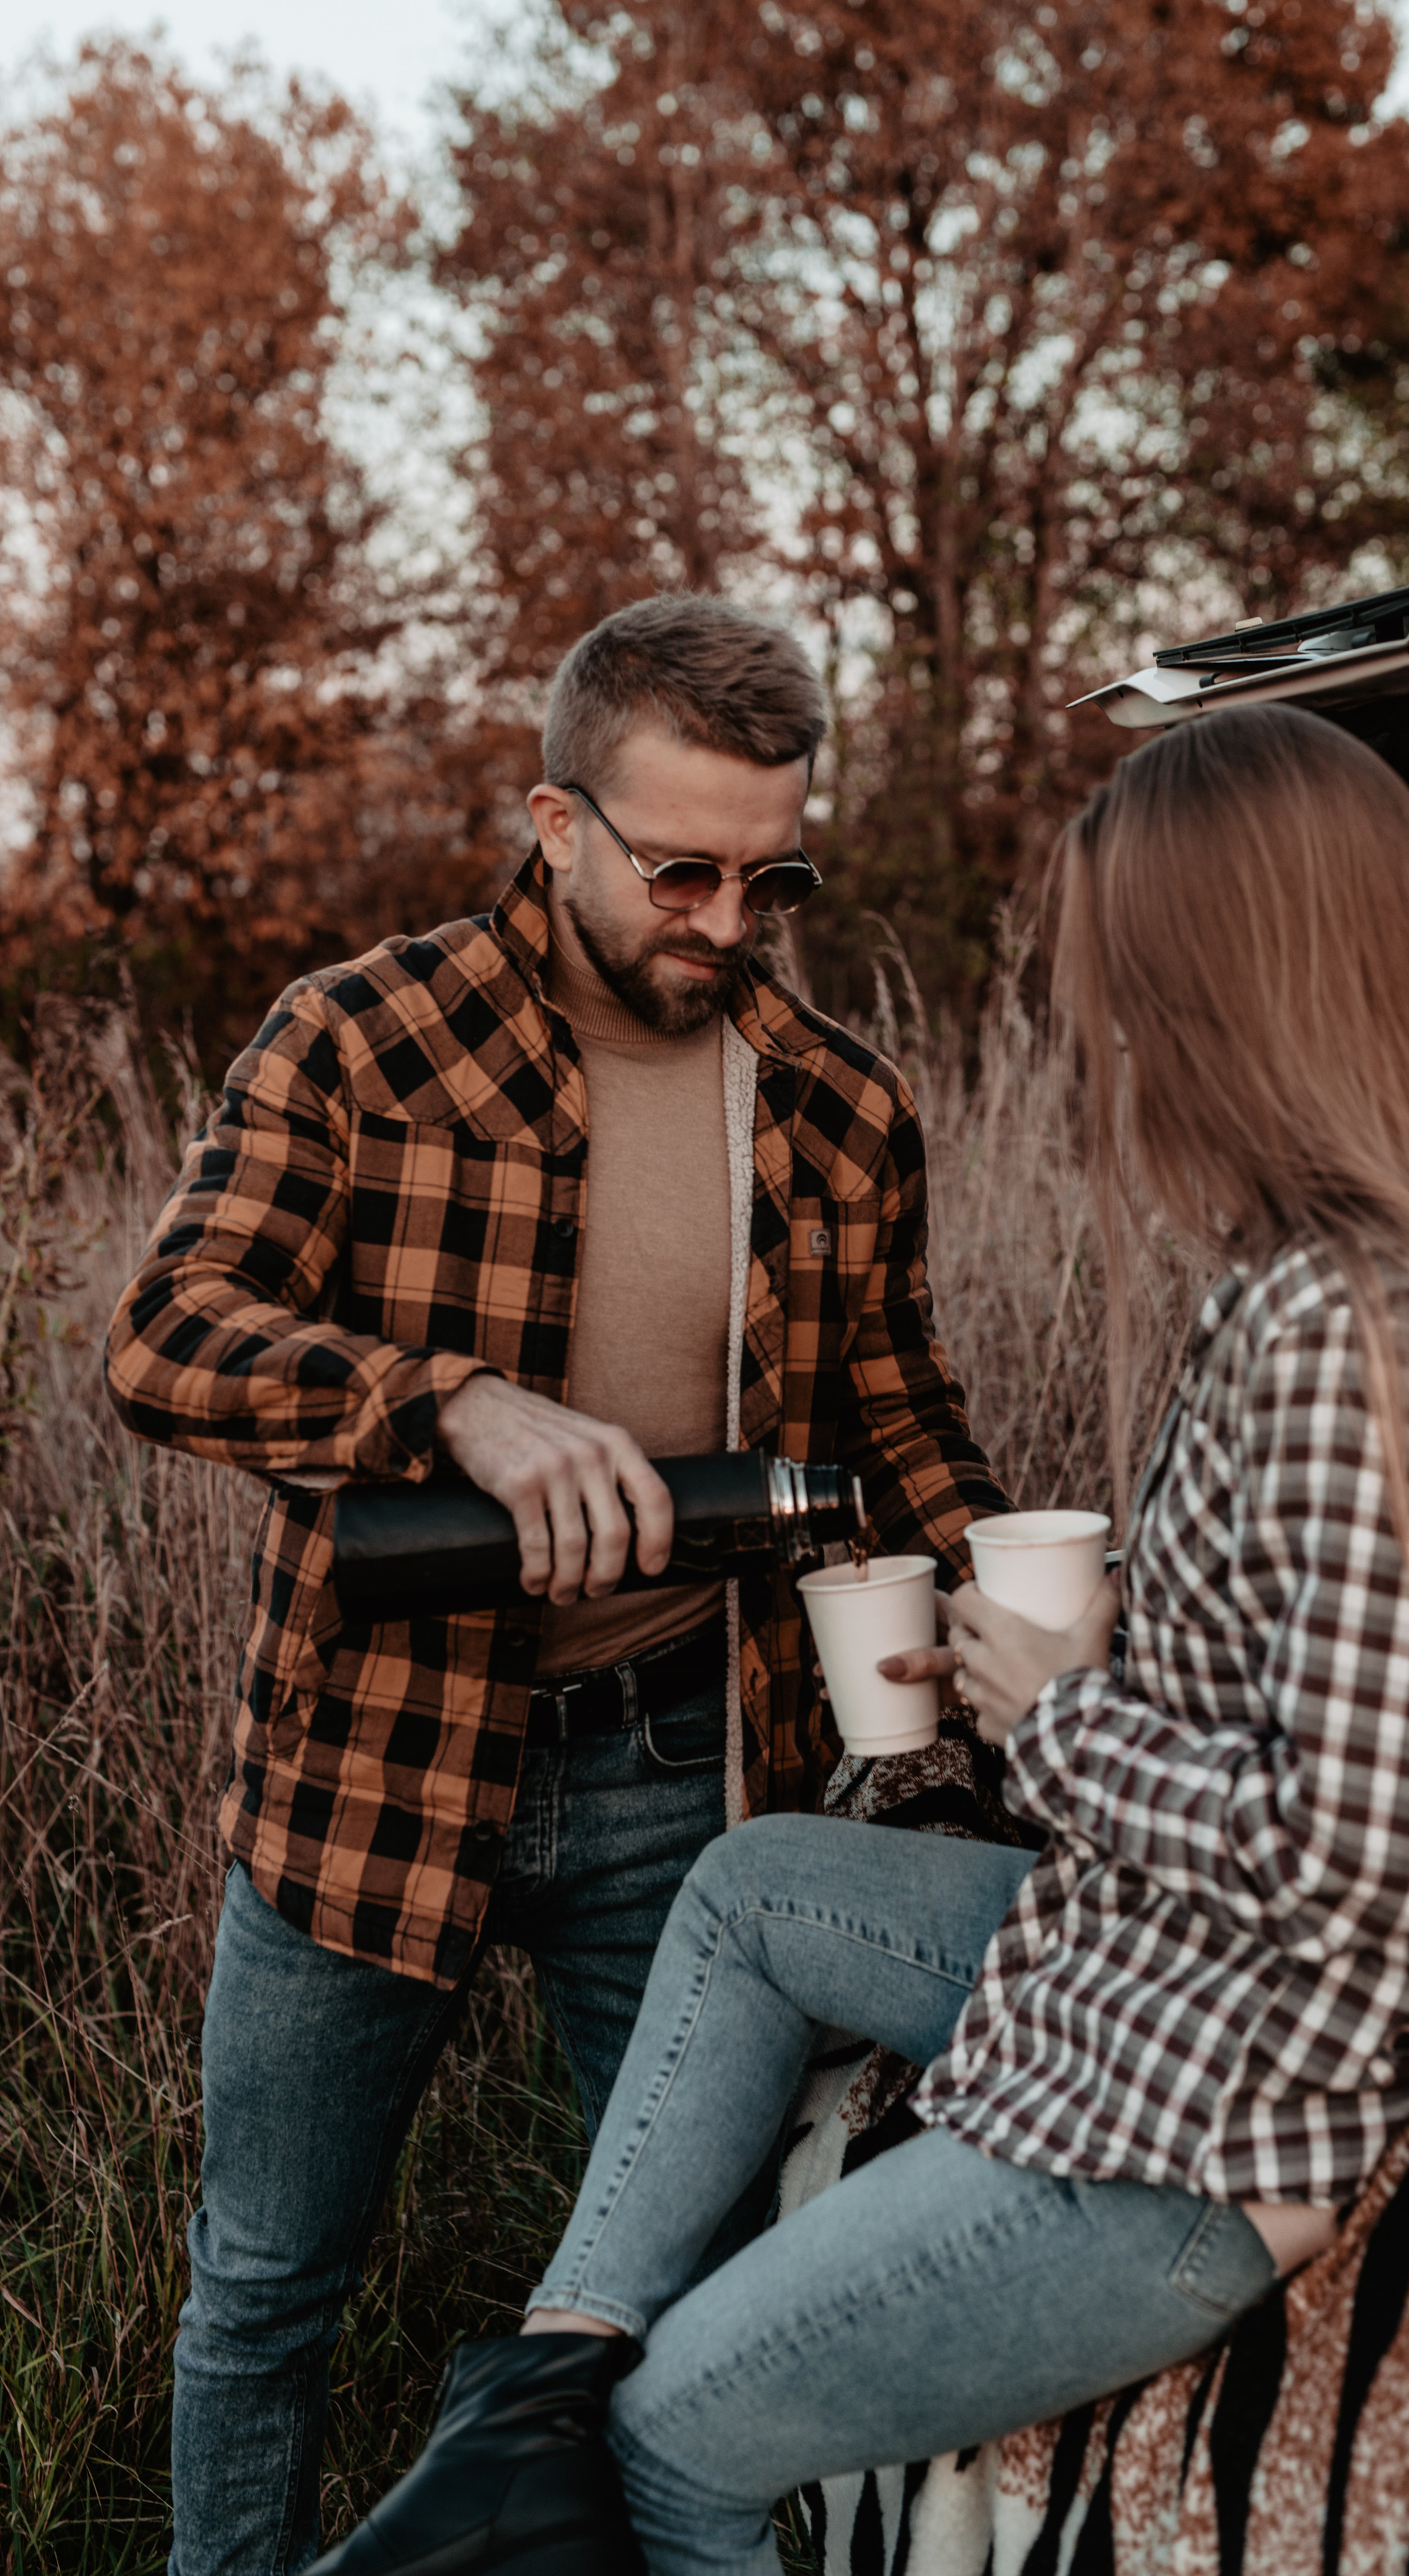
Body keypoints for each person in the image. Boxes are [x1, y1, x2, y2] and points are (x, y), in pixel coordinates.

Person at [305, 701, 1409, 2576]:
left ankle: (563, 2444)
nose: (1105, 1045)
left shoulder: (1365, 1335)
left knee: (673, 2444)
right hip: (1195, 1972)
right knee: (756, 1888)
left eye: (1124, 996)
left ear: (1230, 997)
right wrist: (1127, 1657)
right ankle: (530, 2394)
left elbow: (1382, 1868)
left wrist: (1066, 1714)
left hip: (1231, 2106)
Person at [103, 595, 1008, 2576]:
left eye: (773, 879)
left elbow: (902, 1416)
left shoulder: (843, 1106)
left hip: (685, 1781)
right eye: (679, 871)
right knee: (265, 2288)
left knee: (688, 2309)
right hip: (372, 1758)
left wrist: (1004, 1604)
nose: (726, 920)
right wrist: (444, 1403)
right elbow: (164, 1338)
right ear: (555, 821)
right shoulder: (360, 1037)